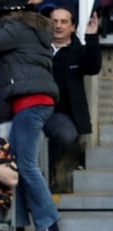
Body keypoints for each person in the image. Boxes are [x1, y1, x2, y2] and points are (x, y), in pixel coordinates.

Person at [0, 0, 60, 231]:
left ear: (10, 14)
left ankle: (49, 222)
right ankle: (19, 222)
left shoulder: (17, 29)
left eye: (1, 16)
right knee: (17, 164)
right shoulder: (33, 29)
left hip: (31, 103)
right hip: (33, 102)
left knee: (26, 166)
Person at [45, 8, 101, 194]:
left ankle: (49, 173)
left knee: (65, 134)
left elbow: (93, 67)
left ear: (73, 26)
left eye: (64, 22)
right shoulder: (38, 48)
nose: (58, 26)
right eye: (55, 21)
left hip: (61, 114)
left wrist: (91, 38)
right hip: (33, 109)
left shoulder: (79, 51)